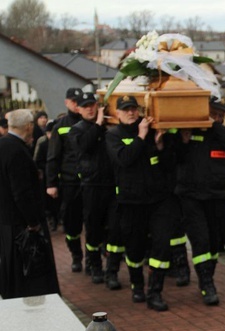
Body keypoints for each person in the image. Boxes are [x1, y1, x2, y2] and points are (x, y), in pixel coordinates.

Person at [105, 95, 178, 311]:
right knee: (134, 248)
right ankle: (137, 285)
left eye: (133, 109)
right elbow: (124, 159)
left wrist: (159, 145)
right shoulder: (113, 135)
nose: (130, 113)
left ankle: (155, 291)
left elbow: (167, 166)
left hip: (157, 201)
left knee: (163, 245)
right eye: (125, 109)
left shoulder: (152, 132)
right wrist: (141, 136)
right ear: (117, 113)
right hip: (130, 202)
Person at [176, 96, 225, 305]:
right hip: (191, 197)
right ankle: (206, 283)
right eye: (214, 113)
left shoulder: (222, 135)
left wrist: (213, 124)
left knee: (213, 243)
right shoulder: (188, 131)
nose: (218, 118)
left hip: (216, 196)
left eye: (221, 115)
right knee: (200, 240)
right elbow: (175, 156)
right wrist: (184, 142)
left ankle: (207, 275)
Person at [0, 109, 60, 299]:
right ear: (29, 127)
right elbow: (22, 193)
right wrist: (33, 222)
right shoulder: (17, 151)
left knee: (12, 273)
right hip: (21, 225)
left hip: (6, 221)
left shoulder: (3, 145)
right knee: (29, 274)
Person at [69, 92, 124, 289]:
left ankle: (112, 271)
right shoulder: (76, 130)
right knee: (93, 229)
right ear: (78, 109)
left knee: (115, 229)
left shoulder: (109, 127)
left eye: (92, 105)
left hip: (112, 185)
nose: (90, 109)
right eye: (85, 106)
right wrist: (98, 124)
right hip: (92, 186)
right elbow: (84, 146)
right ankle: (95, 266)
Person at [46, 87, 84, 273]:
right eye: (73, 101)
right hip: (69, 182)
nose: (77, 105)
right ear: (67, 103)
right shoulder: (60, 125)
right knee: (71, 222)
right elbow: (53, 156)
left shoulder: (92, 122)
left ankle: (97, 258)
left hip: (90, 180)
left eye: (80, 101)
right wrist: (51, 183)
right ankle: (76, 255)